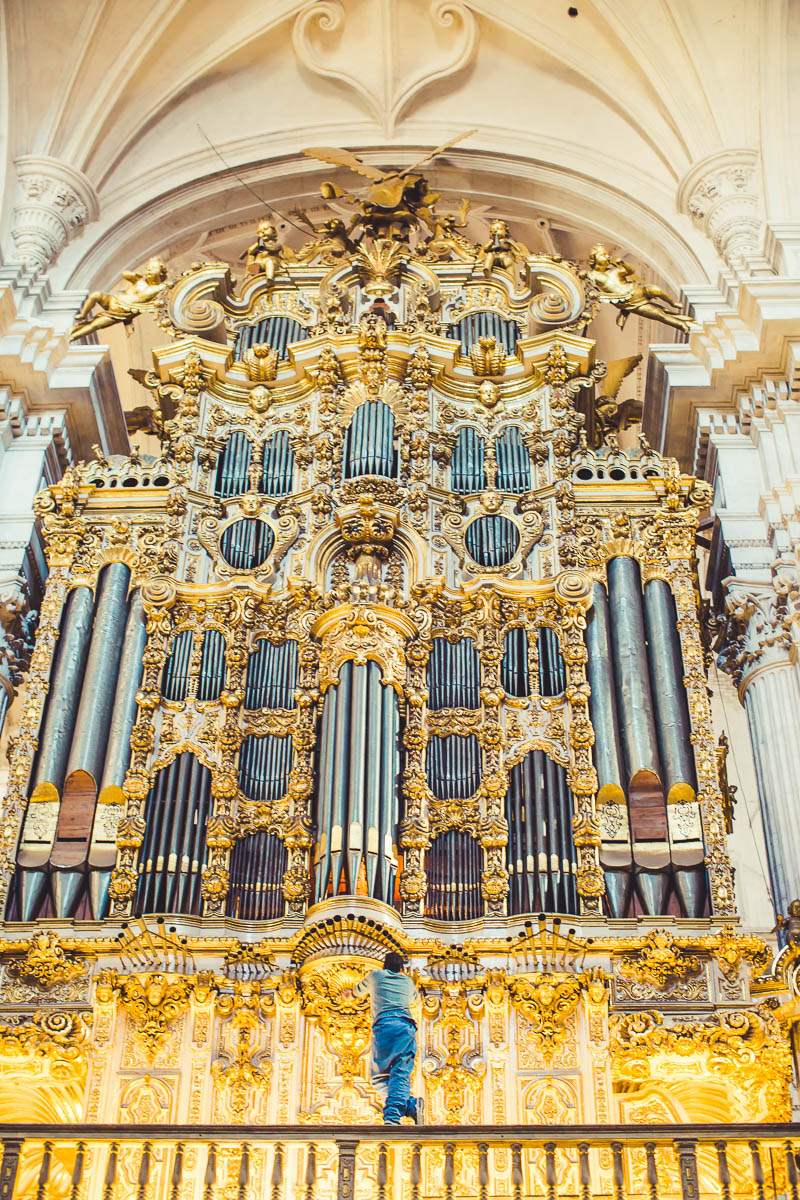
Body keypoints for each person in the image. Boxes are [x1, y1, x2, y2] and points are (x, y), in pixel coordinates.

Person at [353, 951, 425, 1125]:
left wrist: (350, 994)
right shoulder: (407, 981)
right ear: (401, 968)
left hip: (385, 1027)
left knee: (378, 1079)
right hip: (405, 1027)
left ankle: (394, 1115)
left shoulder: (376, 976)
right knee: (400, 1072)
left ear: (384, 965)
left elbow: (357, 992)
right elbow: (416, 999)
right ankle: (408, 1105)